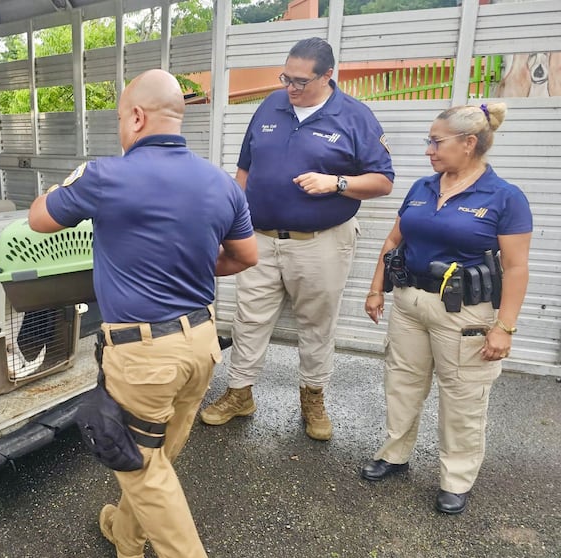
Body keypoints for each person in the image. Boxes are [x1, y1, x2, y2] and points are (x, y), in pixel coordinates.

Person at [28, 69, 257, 558]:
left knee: (143, 471)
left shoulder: (106, 175)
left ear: (136, 116)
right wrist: (189, 263)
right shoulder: (221, 183)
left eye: (120, 121)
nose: (120, 132)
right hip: (201, 344)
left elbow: (39, 219)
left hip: (144, 355)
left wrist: (61, 184)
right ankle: (127, 538)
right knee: (155, 454)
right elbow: (246, 256)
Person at [200, 37, 394, 441]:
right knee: (249, 319)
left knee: (317, 323)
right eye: (286, 77)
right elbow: (244, 171)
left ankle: (313, 397)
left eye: (301, 81)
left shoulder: (355, 117)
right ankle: (239, 393)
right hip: (261, 237)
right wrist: (231, 224)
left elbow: (382, 182)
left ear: (328, 76)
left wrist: (336, 183)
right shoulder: (271, 105)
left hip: (321, 241)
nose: (291, 87)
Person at [360, 103, 532, 515]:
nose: (428, 151)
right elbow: (393, 242)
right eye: (429, 142)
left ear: (469, 143)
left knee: (463, 396)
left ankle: (455, 478)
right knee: (402, 382)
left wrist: (504, 328)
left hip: (464, 314)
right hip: (409, 304)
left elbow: (516, 266)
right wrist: (375, 290)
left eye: (436, 142)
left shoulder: (505, 198)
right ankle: (395, 455)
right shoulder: (422, 187)